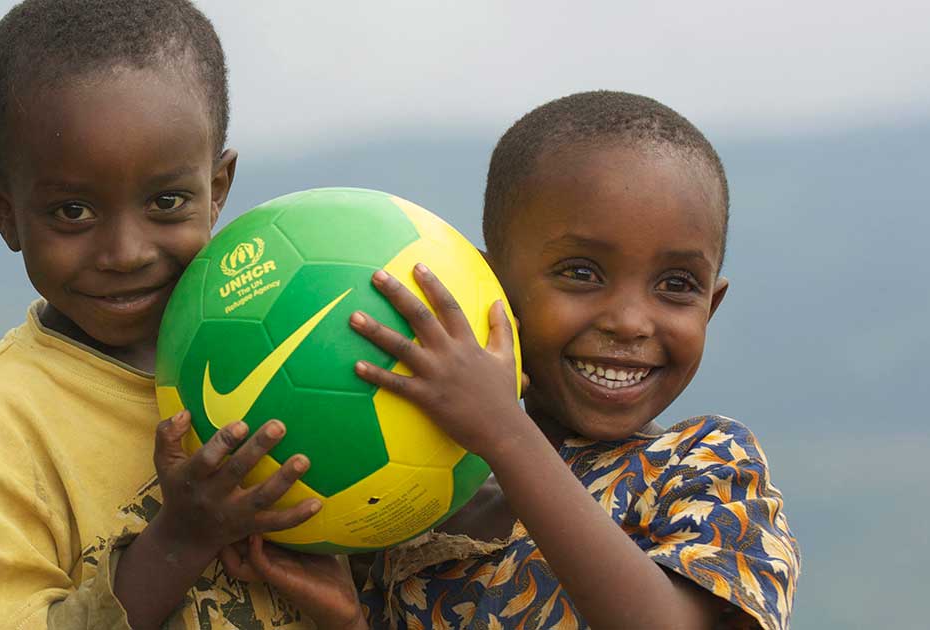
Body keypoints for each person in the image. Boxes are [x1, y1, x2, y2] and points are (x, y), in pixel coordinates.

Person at [226, 91, 800, 629]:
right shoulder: (407, 498)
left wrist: (504, 432)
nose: (629, 321)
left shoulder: (706, 472)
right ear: (489, 285)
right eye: (581, 273)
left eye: (677, 284)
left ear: (711, 305)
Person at [0, 1, 359, 628]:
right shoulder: (6, 416)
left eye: (165, 201)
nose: (125, 253)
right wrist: (180, 538)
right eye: (73, 211)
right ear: (3, 211)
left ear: (217, 191)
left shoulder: (294, 350)